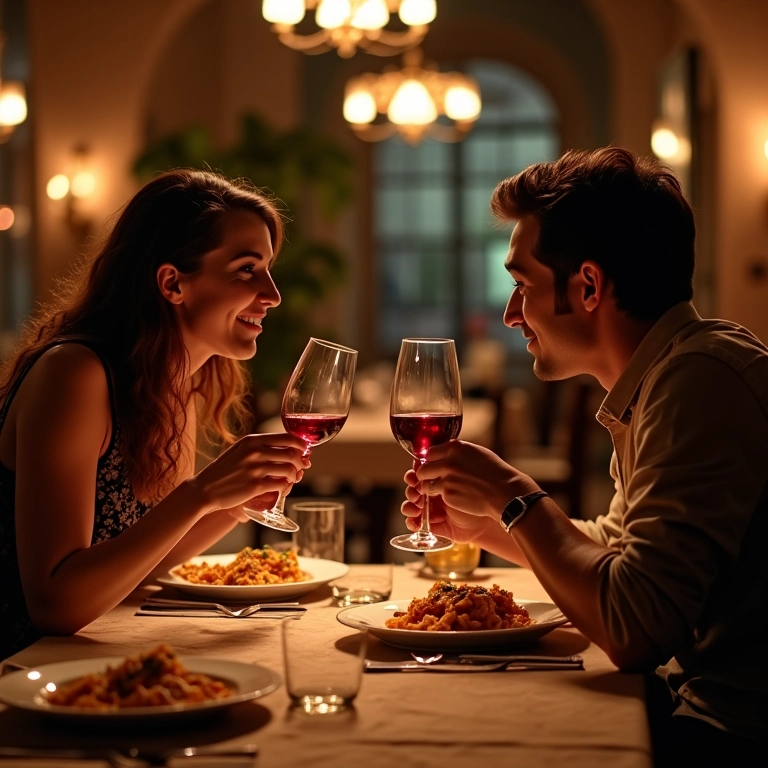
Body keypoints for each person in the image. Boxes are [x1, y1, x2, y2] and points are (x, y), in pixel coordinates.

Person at [401, 148, 768, 767]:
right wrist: (488, 527)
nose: (510, 314)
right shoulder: (668, 375)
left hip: (730, 733)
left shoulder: (700, 381)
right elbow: (621, 554)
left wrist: (515, 498)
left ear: (589, 286)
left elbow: (636, 629)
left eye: (522, 286)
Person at [0, 169, 310, 659]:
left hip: (86, 661)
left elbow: (140, 566)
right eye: (247, 270)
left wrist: (232, 503)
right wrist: (201, 493)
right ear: (172, 283)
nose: (272, 294)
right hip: (22, 676)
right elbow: (54, 606)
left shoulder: (170, 384)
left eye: (268, 269)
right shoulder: (76, 374)